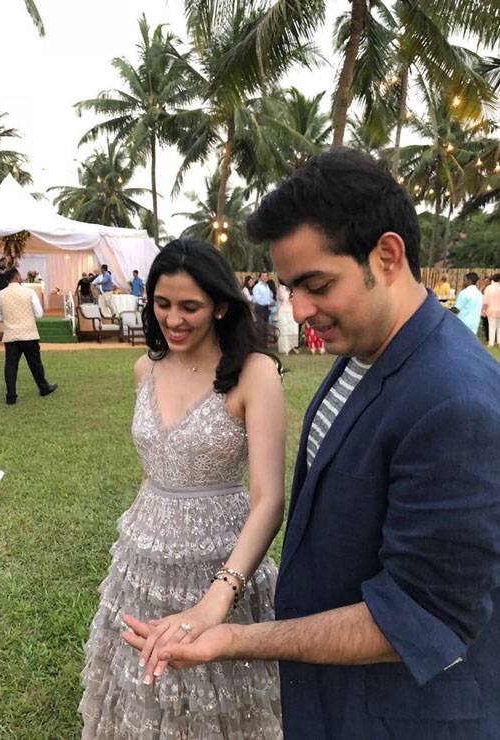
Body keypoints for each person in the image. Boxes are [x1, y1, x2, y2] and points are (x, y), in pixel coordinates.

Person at [123, 149, 500, 739]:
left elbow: (418, 617)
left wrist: (234, 636)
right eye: (290, 288)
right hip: (336, 690)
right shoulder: (364, 351)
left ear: (387, 256)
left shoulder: (456, 401)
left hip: (399, 710)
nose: (298, 311)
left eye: (317, 285)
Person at [80, 239, 285, 738]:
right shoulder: (145, 368)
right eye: (162, 303)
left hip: (223, 556)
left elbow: (269, 499)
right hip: (145, 558)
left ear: (220, 306)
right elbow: (154, 463)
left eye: (190, 306)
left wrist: (221, 593)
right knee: (145, 678)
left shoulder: (254, 373)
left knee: (222, 685)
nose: (173, 319)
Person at [0, 269, 57, 405]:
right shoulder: (29, 292)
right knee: (35, 363)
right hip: (29, 334)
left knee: (11, 366)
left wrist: (8, 318)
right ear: (17, 276)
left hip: (11, 335)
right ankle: (43, 388)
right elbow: (39, 314)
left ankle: (11, 396)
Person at [252, 271, 274, 346]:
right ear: (260, 277)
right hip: (260, 308)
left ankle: (264, 344)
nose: (265, 277)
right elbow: (257, 299)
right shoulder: (257, 287)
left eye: (266, 276)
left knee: (265, 326)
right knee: (260, 326)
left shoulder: (267, 286)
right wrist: (268, 302)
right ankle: (260, 345)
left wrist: (271, 301)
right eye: (263, 276)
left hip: (266, 308)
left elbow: (270, 296)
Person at [276, 285, 298, 355]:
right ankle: (286, 348)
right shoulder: (281, 288)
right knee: (284, 330)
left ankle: (293, 346)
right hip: (283, 311)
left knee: (293, 329)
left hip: (291, 311)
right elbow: (281, 298)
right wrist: (280, 291)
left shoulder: (293, 288)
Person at [483, 273, 500, 348]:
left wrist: (484, 310)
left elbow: (485, 301)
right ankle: (499, 342)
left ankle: (491, 343)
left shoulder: (489, 288)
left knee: (491, 327)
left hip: (491, 310)